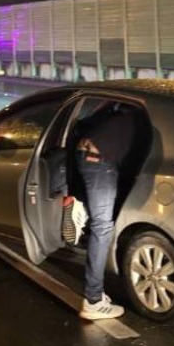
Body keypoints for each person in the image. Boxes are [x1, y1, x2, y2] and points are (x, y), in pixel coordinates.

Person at [71, 102, 138, 320]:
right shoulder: (138, 119)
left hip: (86, 157)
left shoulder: (113, 111)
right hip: (100, 164)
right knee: (102, 228)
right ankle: (93, 300)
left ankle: (81, 209)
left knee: (99, 224)